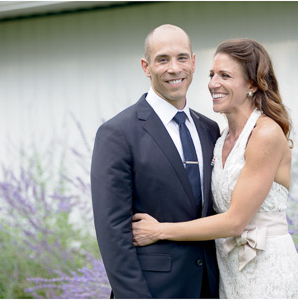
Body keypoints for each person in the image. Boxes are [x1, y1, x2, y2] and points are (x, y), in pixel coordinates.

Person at [131, 38, 298, 298]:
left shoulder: (265, 134)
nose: (213, 84)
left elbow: (234, 222)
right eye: (212, 74)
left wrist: (159, 230)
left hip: (267, 268)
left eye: (225, 75)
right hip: (229, 270)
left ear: (253, 84)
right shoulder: (218, 137)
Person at [91, 24, 220, 298]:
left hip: (209, 287)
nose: (174, 68)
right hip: (154, 291)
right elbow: (113, 233)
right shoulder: (117, 133)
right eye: (163, 59)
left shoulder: (210, 129)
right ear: (146, 66)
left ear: (194, 62)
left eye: (182, 58)